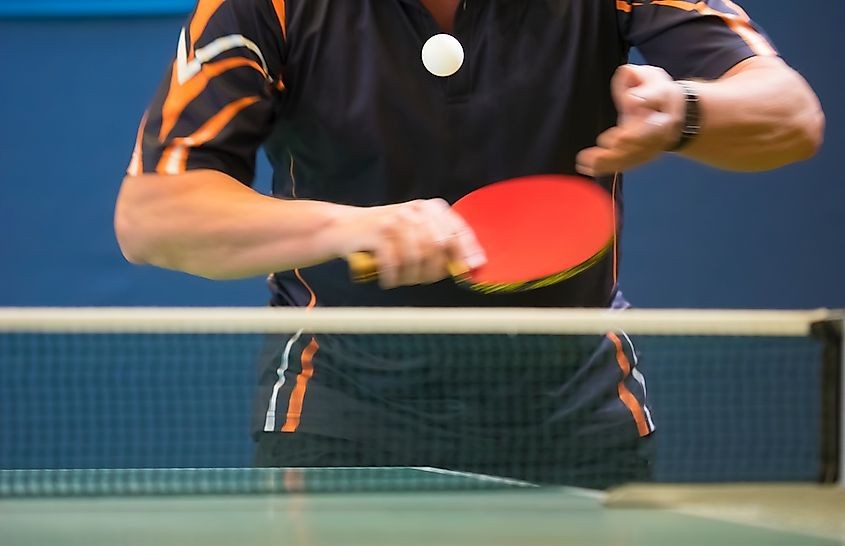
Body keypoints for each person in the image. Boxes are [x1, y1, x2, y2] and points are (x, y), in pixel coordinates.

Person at [114, 0, 824, 487]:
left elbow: (791, 113)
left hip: (573, 414)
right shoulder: (266, 5)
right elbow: (151, 214)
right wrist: (348, 227)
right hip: (343, 413)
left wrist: (686, 114)